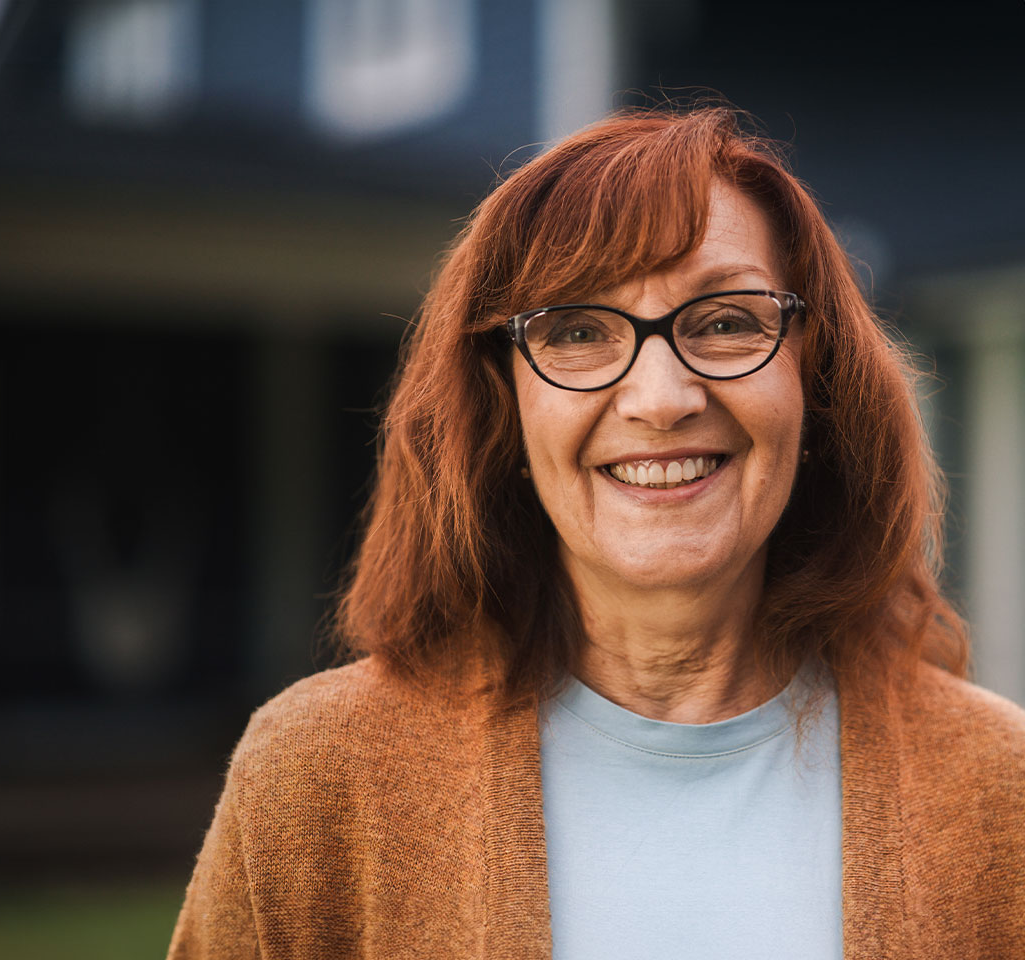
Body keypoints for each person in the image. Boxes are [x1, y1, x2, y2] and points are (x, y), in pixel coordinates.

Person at [167, 107, 1025, 958]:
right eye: (577, 330)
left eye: (727, 321)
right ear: (501, 404)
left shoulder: (998, 786)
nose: (660, 399)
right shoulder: (319, 777)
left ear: (818, 376)